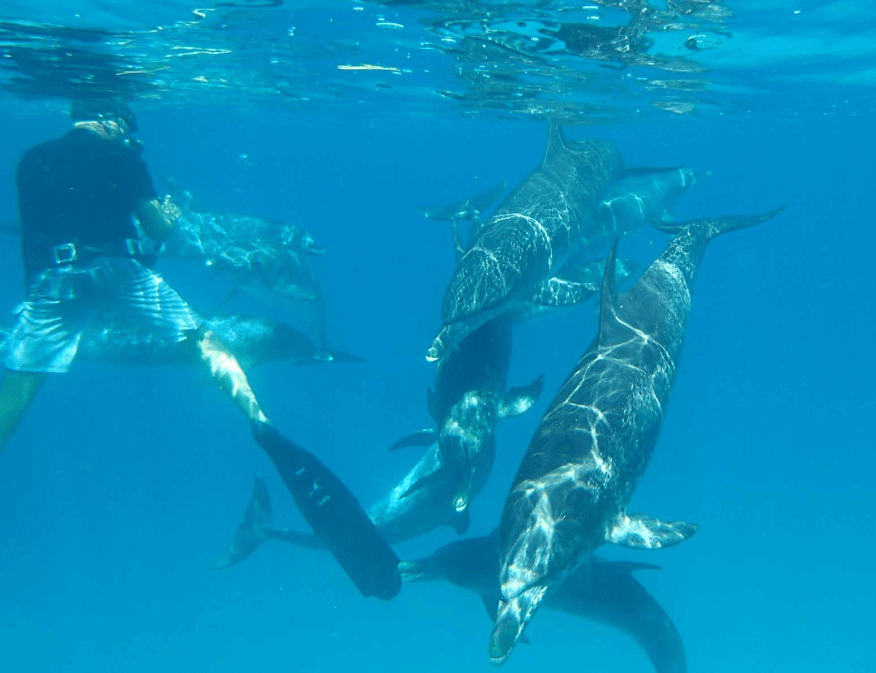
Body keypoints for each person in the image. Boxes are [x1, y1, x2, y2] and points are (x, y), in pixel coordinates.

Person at [0, 99, 268, 449]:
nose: (127, 135)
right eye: (126, 127)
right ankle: (260, 422)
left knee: (22, 380)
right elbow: (157, 231)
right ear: (111, 121)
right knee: (202, 341)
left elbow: (36, 229)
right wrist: (168, 215)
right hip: (119, 269)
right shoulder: (123, 159)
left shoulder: (32, 158)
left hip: (52, 279)